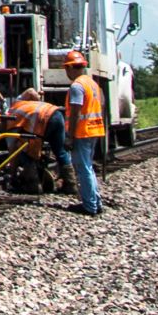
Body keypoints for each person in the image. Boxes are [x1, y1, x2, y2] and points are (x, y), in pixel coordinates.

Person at [62, 50, 107, 216]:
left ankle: (90, 206)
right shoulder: (91, 83)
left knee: (83, 169)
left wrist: (70, 136)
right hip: (94, 130)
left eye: (67, 68)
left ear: (70, 68)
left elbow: (75, 112)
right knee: (88, 167)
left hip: (82, 132)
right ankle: (96, 202)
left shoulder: (77, 86)